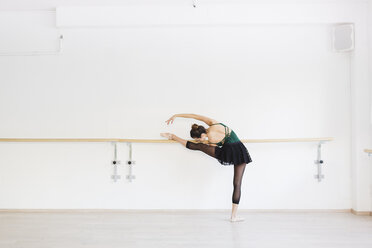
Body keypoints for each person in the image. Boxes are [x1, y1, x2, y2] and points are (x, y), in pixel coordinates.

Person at [160, 113, 252, 222]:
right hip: (241, 150)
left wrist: (203, 143)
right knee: (237, 184)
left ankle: (173, 137)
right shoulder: (212, 122)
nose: (199, 140)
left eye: (199, 139)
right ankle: (233, 217)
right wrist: (177, 115)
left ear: (202, 135)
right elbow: (195, 116)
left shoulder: (212, 138)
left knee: (199, 147)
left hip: (229, 152)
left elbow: (213, 146)